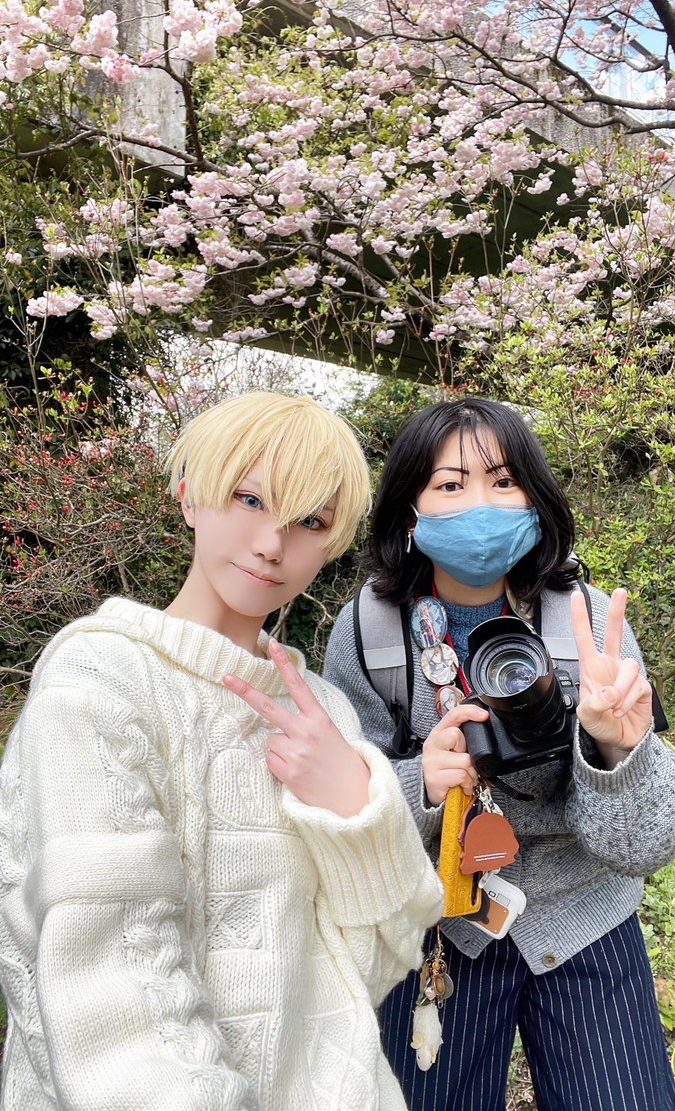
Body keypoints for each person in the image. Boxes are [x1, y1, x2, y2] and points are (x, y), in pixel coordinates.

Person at [0, 391, 444, 1111]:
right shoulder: (101, 681)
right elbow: (114, 1001)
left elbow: (376, 963)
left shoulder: (323, 712)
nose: (271, 543)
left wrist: (353, 809)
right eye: (249, 499)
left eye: (310, 521)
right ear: (188, 497)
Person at [323, 396, 675, 1111]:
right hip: (440, 926)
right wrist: (417, 784)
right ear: (409, 510)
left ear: (535, 499)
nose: (479, 505)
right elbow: (341, 818)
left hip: (585, 917)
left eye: (504, 481)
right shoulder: (369, 634)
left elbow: (645, 846)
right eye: (450, 485)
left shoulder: (586, 625)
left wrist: (619, 750)